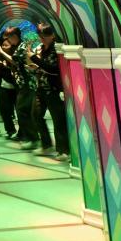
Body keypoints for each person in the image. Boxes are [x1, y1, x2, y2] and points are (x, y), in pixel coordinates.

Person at [28, 24, 70, 161]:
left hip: (53, 90)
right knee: (36, 115)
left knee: (58, 120)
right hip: (41, 88)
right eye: (40, 36)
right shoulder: (43, 49)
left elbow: (54, 69)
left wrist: (34, 58)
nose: (42, 39)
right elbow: (45, 68)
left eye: (44, 36)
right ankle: (46, 145)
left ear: (52, 35)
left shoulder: (56, 49)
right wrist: (35, 67)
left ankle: (64, 150)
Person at [0, 27, 21, 140]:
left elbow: (16, 64)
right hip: (5, 84)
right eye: (2, 45)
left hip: (18, 85)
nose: (4, 47)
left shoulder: (16, 53)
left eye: (6, 45)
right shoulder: (0, 55)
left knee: (20, 109)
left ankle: (23, 132)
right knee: (4, 109)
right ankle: (10, 130)